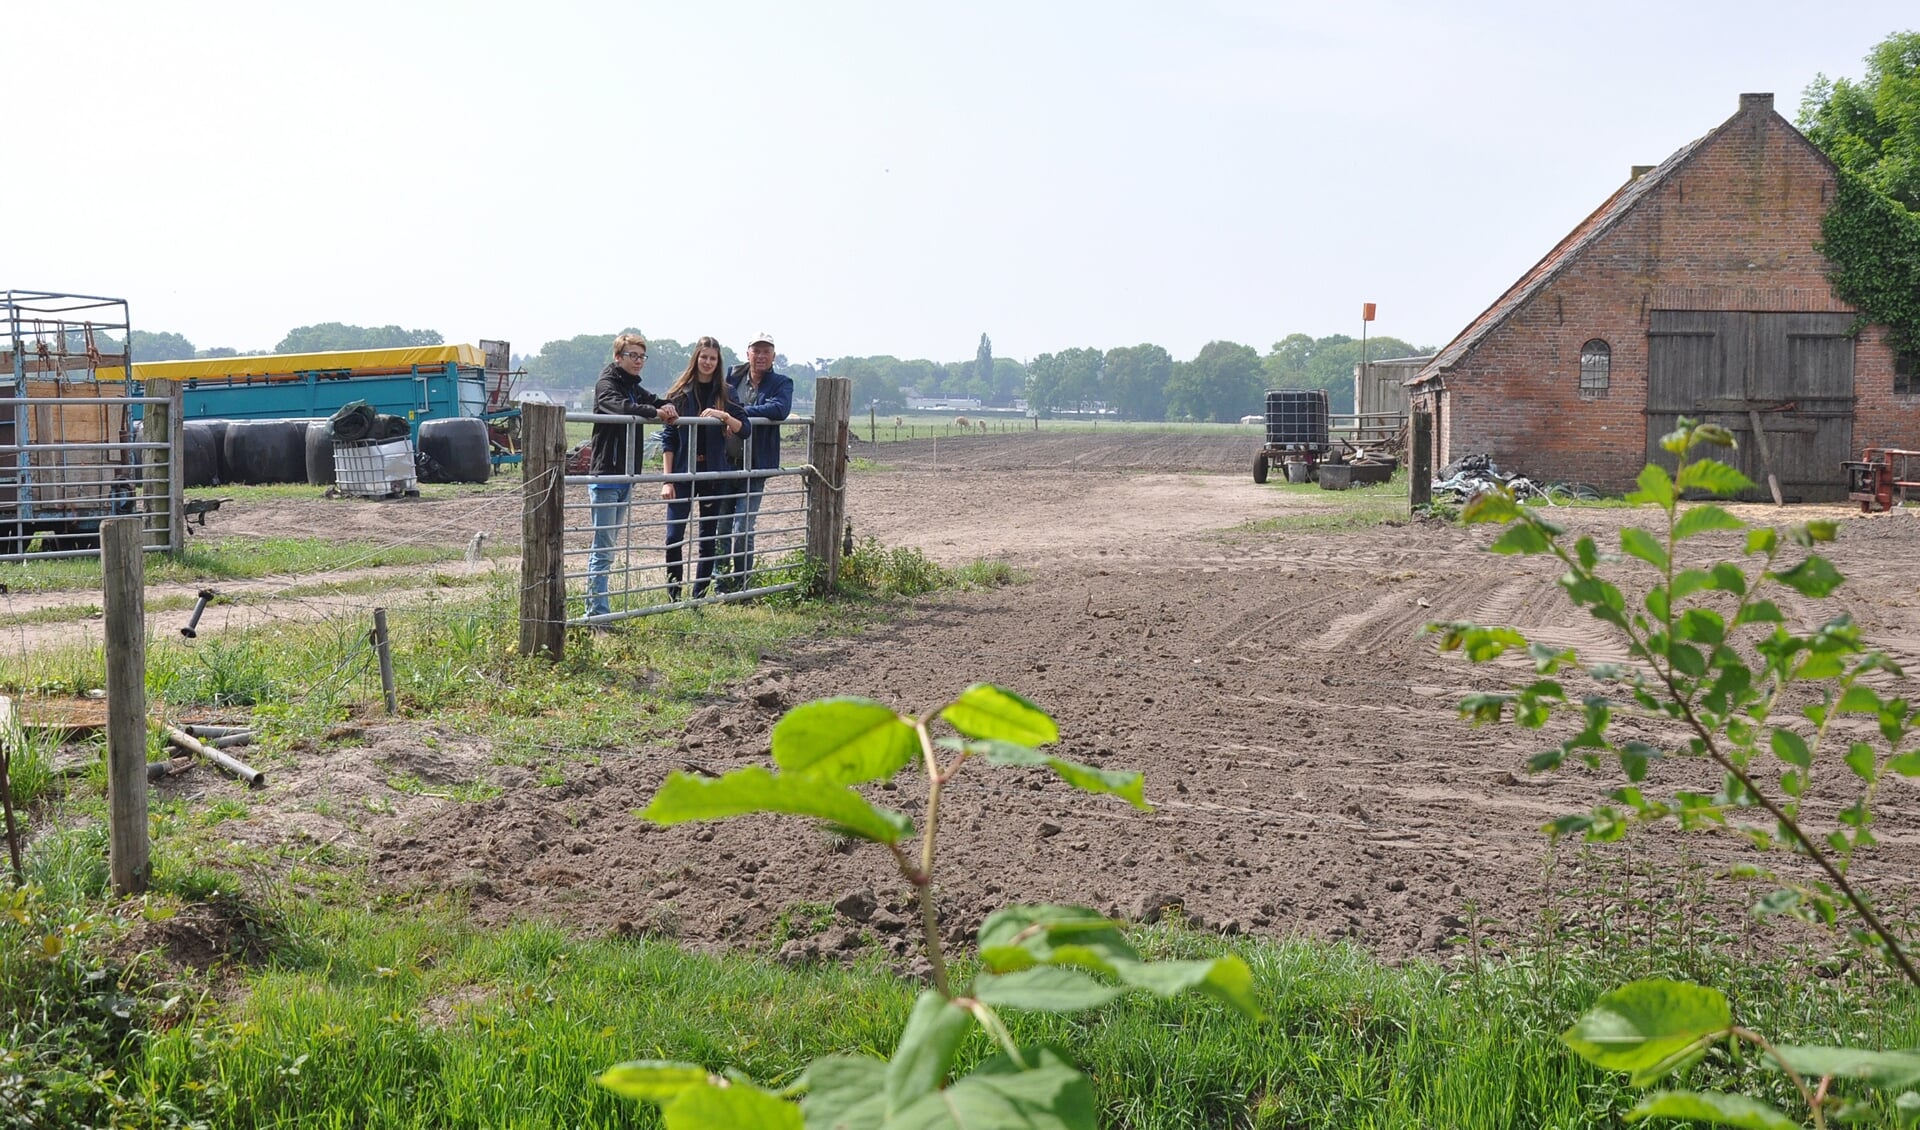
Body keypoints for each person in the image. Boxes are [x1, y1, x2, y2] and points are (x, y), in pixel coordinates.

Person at [585, 333, 678, 622]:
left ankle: (599, 611)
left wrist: (669, 406)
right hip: (606, 475)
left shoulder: (633, 386)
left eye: (641, 356)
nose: (638, 361)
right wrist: (656, 411)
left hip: (626, 475)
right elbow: (619, 407)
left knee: (609, 547)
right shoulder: (607, 384)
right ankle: (596, 616)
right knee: (604, 548)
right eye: (632, 355)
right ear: (618, 357)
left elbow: (655, 401)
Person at [659, 336, 744, 600]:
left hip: (712, 475)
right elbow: (669, 438)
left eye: (713, 358)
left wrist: (725, 416)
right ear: (695, 358)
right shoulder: (679, 393)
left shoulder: (726, 392)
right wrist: (667, 479)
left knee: (708, 540)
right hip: (683, 474)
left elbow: (746, 428)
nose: (707, 362)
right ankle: (674, 597)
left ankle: (698, 598)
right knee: (673, 538)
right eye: (703, 356)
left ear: (718, 362)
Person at [720, 331, 794, 590]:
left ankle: (742, 585)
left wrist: (736, 414)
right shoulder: (731, 377)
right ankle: (720, 585)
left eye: (766, 351)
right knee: (720, 527)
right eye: (757, 350)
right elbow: (716, 401)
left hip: (755, 465)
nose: (761, 356)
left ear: (774, 356)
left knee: (742, 527)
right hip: (726, 463)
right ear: (747, 353)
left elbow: (779, 409)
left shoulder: (782, 382)